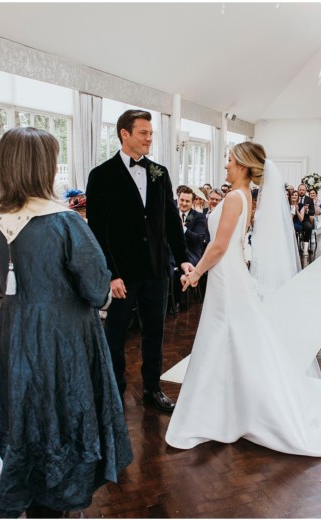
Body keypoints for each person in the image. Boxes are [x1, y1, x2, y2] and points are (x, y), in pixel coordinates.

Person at [165, 142, 321, 456]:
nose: (225, 164)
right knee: (232, 338)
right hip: (228, 276)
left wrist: (196, 272)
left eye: (229, 159)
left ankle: (224, 410)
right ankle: (227, 407)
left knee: (225, 336)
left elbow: (219, 246)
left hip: (225, 278)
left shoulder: (233, 198)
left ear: (242, 165)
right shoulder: (244, 197)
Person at [0, 127, 132, 518]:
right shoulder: (66, 223)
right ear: (43, 168)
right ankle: (62, 494)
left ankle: (28, 485)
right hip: (63, 335)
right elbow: (97, 288)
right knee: (64, 411)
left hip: (13, 332)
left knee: (26, 409)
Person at [86, 109, 193, 413]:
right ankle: (114, 390)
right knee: (116, 332)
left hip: (157, 269)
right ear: (125, 134)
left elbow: (171, 219)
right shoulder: (101, 175)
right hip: (122, 273)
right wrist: (110, 274)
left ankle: (152, 388)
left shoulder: (159, 172)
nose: (149, 138)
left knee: (155, 332)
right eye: (143, 133)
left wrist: (182, 258)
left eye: (150, 133)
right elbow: (98, 230)